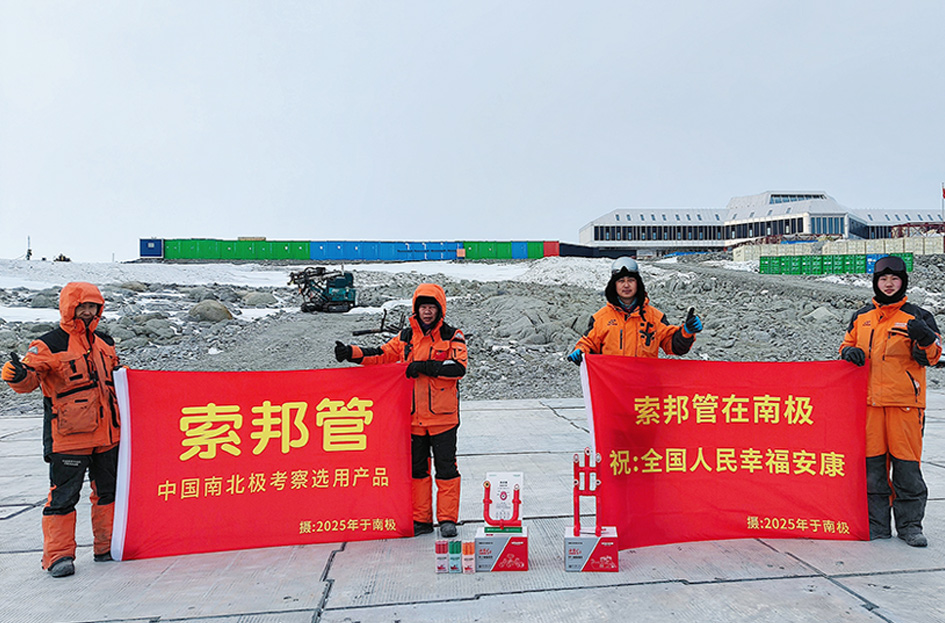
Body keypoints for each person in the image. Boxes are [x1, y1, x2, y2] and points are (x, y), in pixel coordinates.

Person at [2, 282, 121, 577]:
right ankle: (58, 556)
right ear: (69, 308)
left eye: (93, 307)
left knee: (109, 494)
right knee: (64, 497)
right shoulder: (49, 344)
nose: (88, 312)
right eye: (82, 307)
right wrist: (17, 376)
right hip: (68, 439)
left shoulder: (105, 343)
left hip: (109, 437)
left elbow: (118, 381)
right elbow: (29, 381)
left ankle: (107, 547)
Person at [334, 283, 468, 538]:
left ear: (440, 309)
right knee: (417, 471)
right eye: (422, 307)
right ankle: (421, 520)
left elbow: (458, 368)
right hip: (413, 419)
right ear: (416, 309)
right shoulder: (406, 337)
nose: (427, 312)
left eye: (431, 307)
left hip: (443, 420)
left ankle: (447, 519)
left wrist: (424, 366)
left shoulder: (453, 335)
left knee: (446, 470)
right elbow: (382, 354)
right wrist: (352, 353)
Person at [840, 255, 941, 547]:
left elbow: (934, 356)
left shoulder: (918, 316)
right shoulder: (862, 317)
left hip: (905, 406)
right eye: (883, 279)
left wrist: (925, 339)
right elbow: (846, 345)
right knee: (872, 470)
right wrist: (848, 353)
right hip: (870, 405)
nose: (888, 284)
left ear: (903, 282)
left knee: (907, 469)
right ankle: (877, 525)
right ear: (876, 282)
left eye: (894, 279)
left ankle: (910, 526)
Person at [568, 256, 702, 364]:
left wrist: (686, 332)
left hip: (644, 386)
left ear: (638, 283)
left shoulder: (655, 317)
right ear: (614, 285)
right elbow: (589, 343)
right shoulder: (601, 318)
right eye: (621, 281)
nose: (626, 285)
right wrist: (580, 351)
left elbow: (673, 345)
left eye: (631, 280)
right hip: (612, 385)